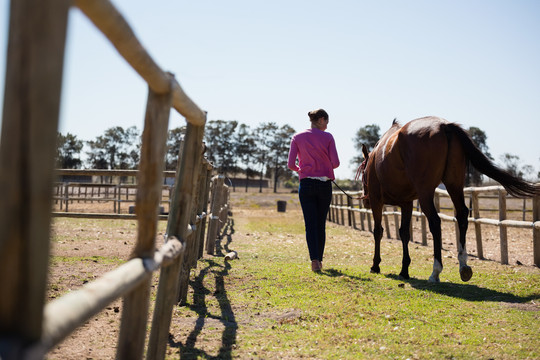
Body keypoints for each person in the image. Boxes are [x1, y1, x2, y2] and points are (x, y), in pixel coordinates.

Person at [287, 109, 340, 272]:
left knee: (310, 224)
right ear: (322, 120)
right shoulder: (328, 137)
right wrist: (323, 165)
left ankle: (314, 261)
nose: (327, 125)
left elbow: (290, 164)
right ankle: (320, 260)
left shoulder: (297, 137)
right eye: (327, 121)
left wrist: (302, 169)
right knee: (320, 224)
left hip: (306, 184)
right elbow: (336, 163)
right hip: (324, 184)